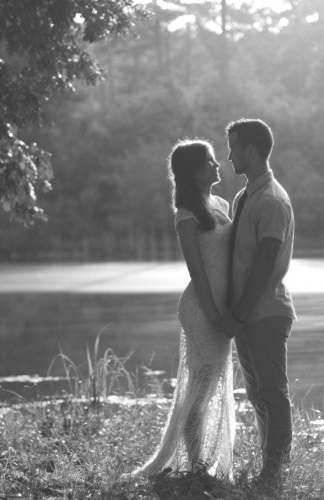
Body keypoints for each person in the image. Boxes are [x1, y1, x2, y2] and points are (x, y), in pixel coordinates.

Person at [127, 139, 236, 480]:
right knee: (200, 389)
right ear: (193, 171)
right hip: (202, 310)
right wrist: (215, 314)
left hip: (221, 306)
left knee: (210, 382)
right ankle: (195, 464)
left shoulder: (220, 203)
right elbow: (197, 271)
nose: (218, 166)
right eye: (210, 161)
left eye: (216, 160)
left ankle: (202, 463)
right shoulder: (186, 214)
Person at [219, 118, 297, 489]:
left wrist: (239, 313)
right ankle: (270, 465)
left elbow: (265, 264)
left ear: (250, 150)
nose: (229, 155)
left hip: (265, 313)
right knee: (256, 394)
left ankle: (275, 470)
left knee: (272, 393)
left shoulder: (271, 200)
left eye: (233, 147)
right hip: (248, 314)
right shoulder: (244, 195)